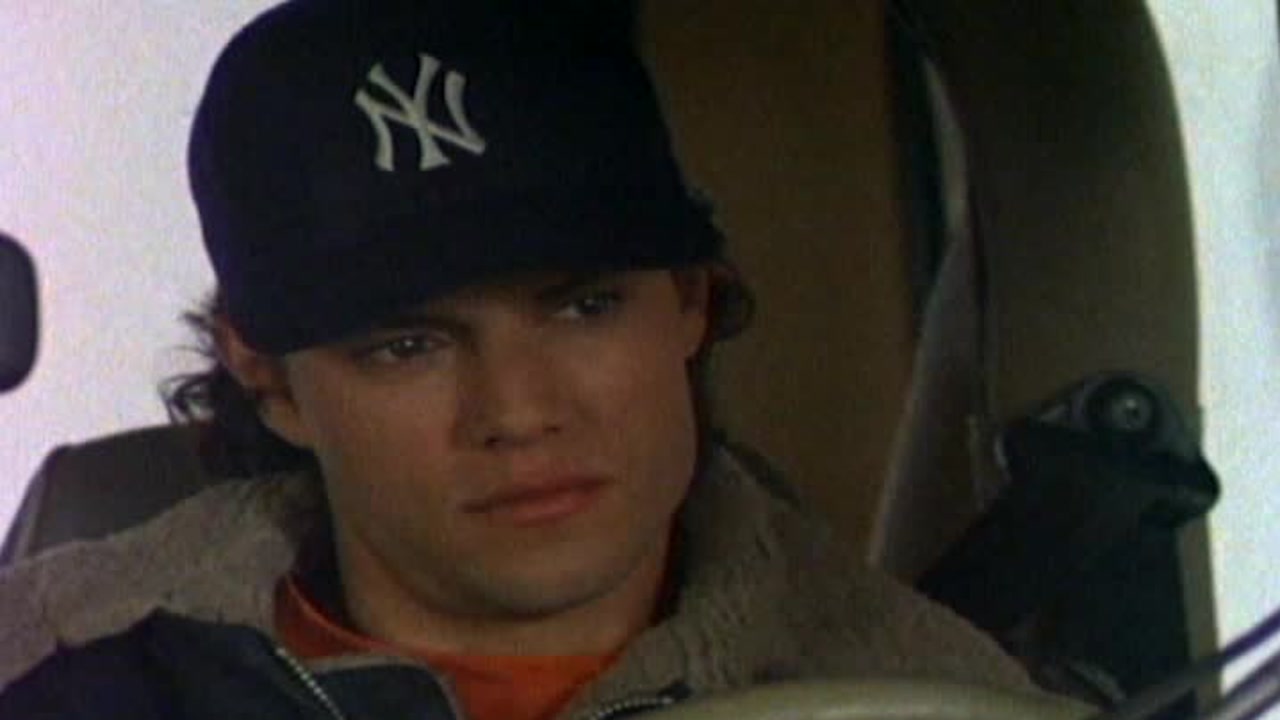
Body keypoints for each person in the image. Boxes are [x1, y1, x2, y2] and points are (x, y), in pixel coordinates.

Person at [0, 1, 1036, 717]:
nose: (518, 411)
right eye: (406, 346)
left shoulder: (937, 697)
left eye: (584, 307)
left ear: (691, 299)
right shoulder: (53, 671)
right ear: (269, 379)